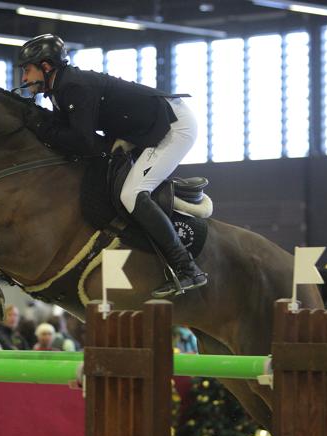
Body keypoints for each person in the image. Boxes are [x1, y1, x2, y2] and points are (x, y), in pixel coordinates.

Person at [18, 34, 207, 297]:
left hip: (172, 127)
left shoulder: (73, 87)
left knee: (131, 194)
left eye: (27, 70)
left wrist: (39, 125)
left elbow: (83, 141)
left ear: (46, 66)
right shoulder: (60, 90)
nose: (24, 79)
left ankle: (186, 267)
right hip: (145, 129)